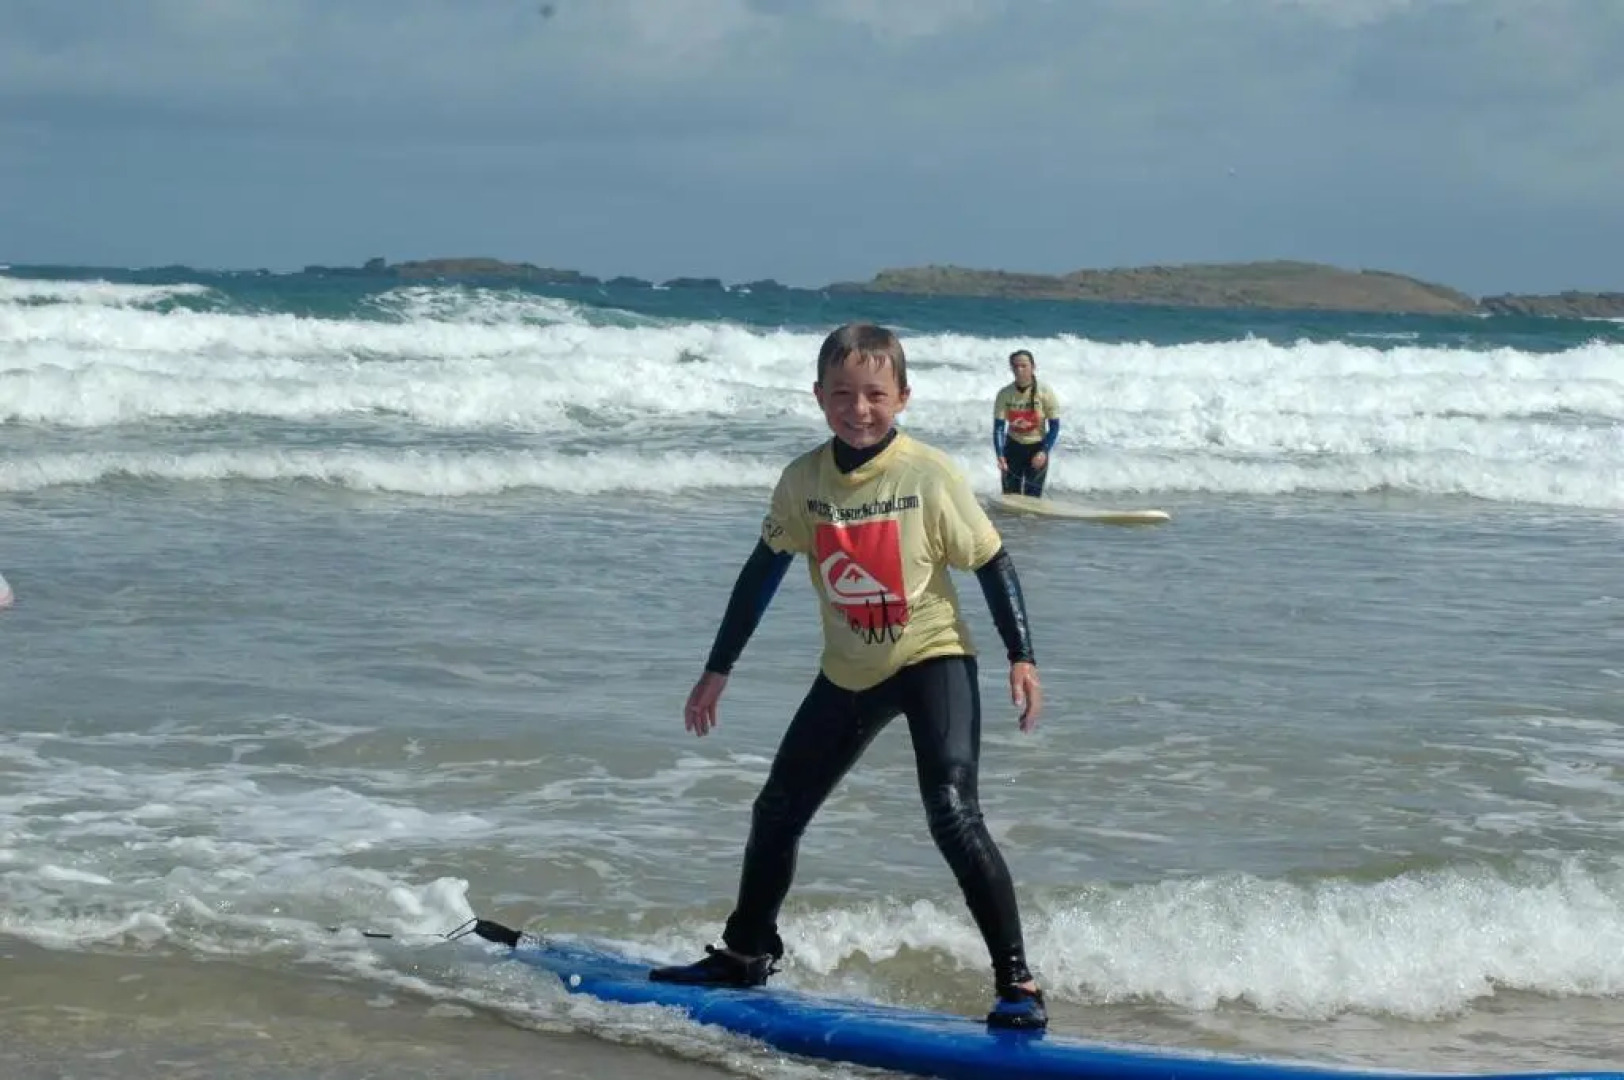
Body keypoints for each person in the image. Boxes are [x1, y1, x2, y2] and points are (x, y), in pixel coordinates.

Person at [649, 323, 1050, 1032]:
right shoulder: (803, 482)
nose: (858, 409)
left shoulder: (929, 474)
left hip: (933, 659)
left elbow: (991, 561)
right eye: (842, 394)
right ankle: (746, 952)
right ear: (818, 397)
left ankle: (1017, 980)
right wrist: (718, 669)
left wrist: (1022, 655)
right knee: (776, 811)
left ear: (902, 396)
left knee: (952, 812)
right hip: (848, 672)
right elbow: (760, 575)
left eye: (874, 394)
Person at [992, 349, 1061, 497]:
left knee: (1033, 498)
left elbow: (1054, 426)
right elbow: (999, 428)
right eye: (1015, 366)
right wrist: (1000, 455)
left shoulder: (1045, 391)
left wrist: (1044, 451)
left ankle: (1031, 522)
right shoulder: (1005, 394)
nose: (1019, 370)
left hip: (1037, 448)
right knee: (1010, 497)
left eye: (1024, 366)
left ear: (1033, 367)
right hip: (1013, 448)